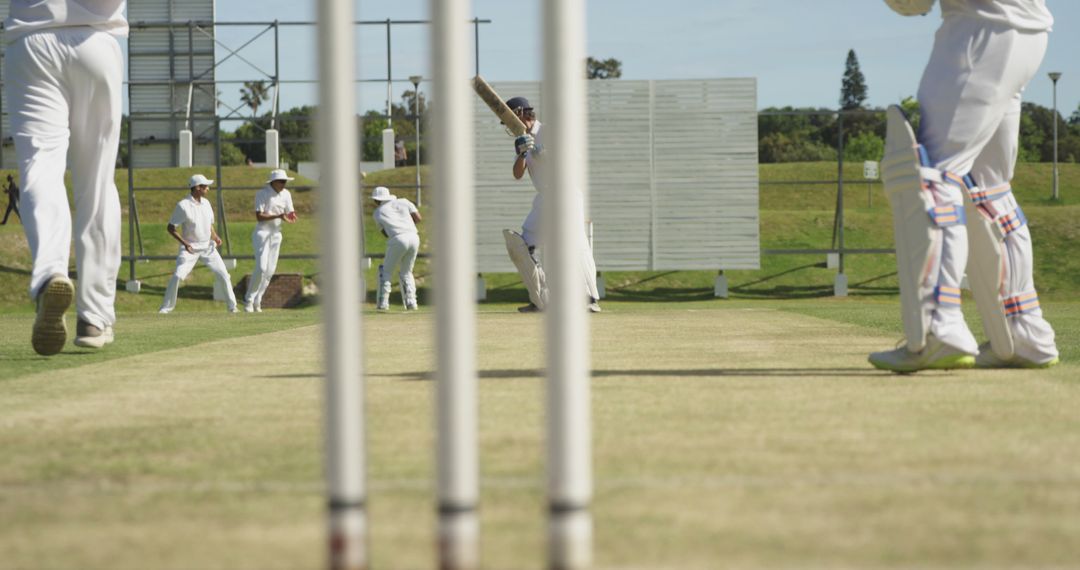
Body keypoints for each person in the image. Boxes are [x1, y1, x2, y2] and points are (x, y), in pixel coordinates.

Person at [871, 0, 1058, 372]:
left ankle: (940, 328)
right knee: (988, 191)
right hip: (1027, 34)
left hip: (979, 29)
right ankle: (1025, 334)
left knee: (933, 177)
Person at [3, 0, 127, 355]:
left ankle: (49, 275)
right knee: (98, 186)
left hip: (30, 43)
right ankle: (94, 317)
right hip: (96, 42)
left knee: (39, 168)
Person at [504, 96, 601, 314]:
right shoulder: (521, 139)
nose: (509, 126)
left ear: (522, 114)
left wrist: (546, 155)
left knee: (575, 243)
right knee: (521, 246)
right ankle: (540, 299)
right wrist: (521, 155)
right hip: (545, 196)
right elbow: (517, 174)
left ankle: (589, 297)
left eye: (509, 120)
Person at [159, 175, 239, 314]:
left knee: (224, 275)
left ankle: (233, 307)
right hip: (190, 249)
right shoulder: (183, 205)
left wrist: (215, 236)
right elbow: (171, 228)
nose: (208, 188)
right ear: (197, 187)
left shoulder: (206, 203)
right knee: (178, 275)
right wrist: (185, 244)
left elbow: (209, 225)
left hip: (208, 247)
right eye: (205, 186)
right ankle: (165, 309)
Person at [243, 169, 297, 312]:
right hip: (262, 233)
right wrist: (278, 216)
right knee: (261, 268)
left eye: (285, 181)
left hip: (276, 234)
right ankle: (248, 300)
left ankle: (258, 300)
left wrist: (291, 215)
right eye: (281, 181)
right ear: (273, 182)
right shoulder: (262, 193)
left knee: (270, 271)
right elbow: (259, 216)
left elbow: (289, 211)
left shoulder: (286, 194)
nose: (284, 184)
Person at [371, 185, 420, 311]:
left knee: (386, 271)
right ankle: (412, 303)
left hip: (397, 238)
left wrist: (396, 228)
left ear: (377, 200)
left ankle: (383, 304)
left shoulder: (377, 213)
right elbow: (418, 218)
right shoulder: (404, 201)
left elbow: (385, 233)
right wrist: (405, 225)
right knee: (406, 272)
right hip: (414, 236)